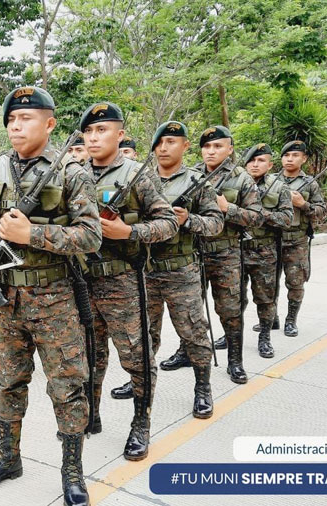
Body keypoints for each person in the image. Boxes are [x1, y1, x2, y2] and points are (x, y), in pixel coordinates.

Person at [0, 86, 101, 506]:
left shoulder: (72, 172)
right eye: (11, 119)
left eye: (25, 118)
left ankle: (72, 470)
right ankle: (8, 457)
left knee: (67, 386)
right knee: (7, 382)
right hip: (4, 299)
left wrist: (33, 234)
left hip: (53, 299)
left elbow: (91, 236)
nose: (15, 126)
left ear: (49, 124)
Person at [77, 102, 177, 460]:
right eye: (89, 131)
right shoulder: (74, 174)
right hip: (82, 281)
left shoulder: (137, 174)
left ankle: (141, 422)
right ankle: (91, 414)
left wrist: (129, 232)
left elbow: (169, 223)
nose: (93, 137)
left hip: (123, 282)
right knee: (89, 354)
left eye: (101, 130)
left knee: (136, 357)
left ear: (119, 135)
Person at [160, 126, 263, 385]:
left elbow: (257, 218)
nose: (211, 151)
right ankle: (186, 351)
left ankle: (235, 360)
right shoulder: (190, 176)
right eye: (206, 146)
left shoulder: (241, 179)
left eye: (218, 146)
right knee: (189, 311)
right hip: (193, 253)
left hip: (225, 254)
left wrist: (229, 209)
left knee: (229, 309)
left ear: (230, 149)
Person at [146, 121, 224, 418]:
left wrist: (188, 220)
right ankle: (141, 381)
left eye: (171, 142)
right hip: (145, 270)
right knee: (143, 333)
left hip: (181, 271)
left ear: (185, 145)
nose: (163, 148)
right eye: (159, 143)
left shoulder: (197, 181)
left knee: (193, 331)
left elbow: (216, 224)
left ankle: (203, 387)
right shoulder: (142, 179)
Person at [240, 144, 293, 358]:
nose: (255, 164)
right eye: (251, 160)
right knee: (233, 299)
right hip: (236, 250)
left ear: (270, 165)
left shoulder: (279, 188)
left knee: (265, 298)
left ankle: (264, 337)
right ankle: (231, 335)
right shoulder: (235, 184)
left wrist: (260, 214)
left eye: (260, 160)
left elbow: (287, 219)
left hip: (264, 251)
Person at [275, 140, 327, 337]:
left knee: (295, 283)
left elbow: (322, 211)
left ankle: (291, 320)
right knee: (267, 283)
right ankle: (270, 318)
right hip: (272, 240)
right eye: (286, 155)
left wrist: (303, 204)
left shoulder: (310, 183)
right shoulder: (271, 180)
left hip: (296, 241)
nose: (290, 159)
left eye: (295, 155)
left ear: (304, 159)